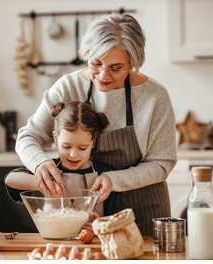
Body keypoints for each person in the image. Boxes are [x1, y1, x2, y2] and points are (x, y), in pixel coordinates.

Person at [14, 13, 177, 236]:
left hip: (142, 208)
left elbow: (161, 163)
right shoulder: (68, 86)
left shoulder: (154, 97)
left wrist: (114, 179)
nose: (102, 75)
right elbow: (28, 136)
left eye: (116, 68)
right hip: (83, 215)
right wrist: (39, 162)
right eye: (96, 63)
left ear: (133, 62)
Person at [5, 101, 125, 220]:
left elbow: (118, 219)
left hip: (95, 238)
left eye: (82, 148)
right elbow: (10, 180)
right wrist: (44, 183)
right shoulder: (49, 169)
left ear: (93, 142)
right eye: (66, 147)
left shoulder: (104, 175)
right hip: (52, 238)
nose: (73, 155)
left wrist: (99, 223)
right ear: (56, 138)